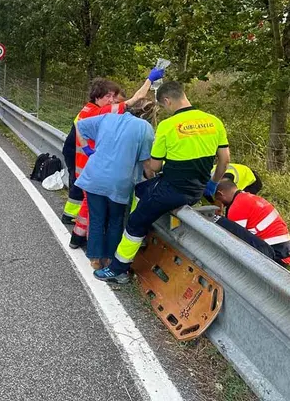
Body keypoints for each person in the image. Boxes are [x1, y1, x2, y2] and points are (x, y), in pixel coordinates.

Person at [95, 81, 230, 283]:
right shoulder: (213, 121)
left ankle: (118, 269)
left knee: (135, 221)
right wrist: (213, 183)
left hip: (171, 190)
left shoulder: (167, 126)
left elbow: (155, 167)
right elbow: (225, 159)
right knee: (141, 189)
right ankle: (139, 237)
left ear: (167, 100)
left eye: (164, 106)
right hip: (198, 188)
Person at [68, 69, 165, 248]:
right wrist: (149, 80)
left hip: (85, 164)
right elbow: (134, 100)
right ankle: (81, 240)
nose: (113, 100)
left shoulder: (88, 109)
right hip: (91, 165)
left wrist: (88, 148)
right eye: (108, 96)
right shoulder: (102, 112)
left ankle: (79, 237)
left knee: (88, 205)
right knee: (92, 207)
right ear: (98, 97)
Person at [75, 98, 155, 269]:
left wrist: (87, 149)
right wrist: (152, 179)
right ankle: (110, 258)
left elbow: (79, 125)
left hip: (95, 175)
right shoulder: (145, 128)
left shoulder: (108, 118)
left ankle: (95, 258)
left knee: (96, 218)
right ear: (148, 115)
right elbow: (147, 162)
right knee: (115, 220)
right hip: (120, 182)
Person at [213, 180, 290, 266]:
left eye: (218, 199)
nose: (221, 204)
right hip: (284, 251)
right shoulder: (247, 197)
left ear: (220, 194)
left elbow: (234, 241)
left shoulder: (237, 207)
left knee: (222, 222)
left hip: (275, 253)